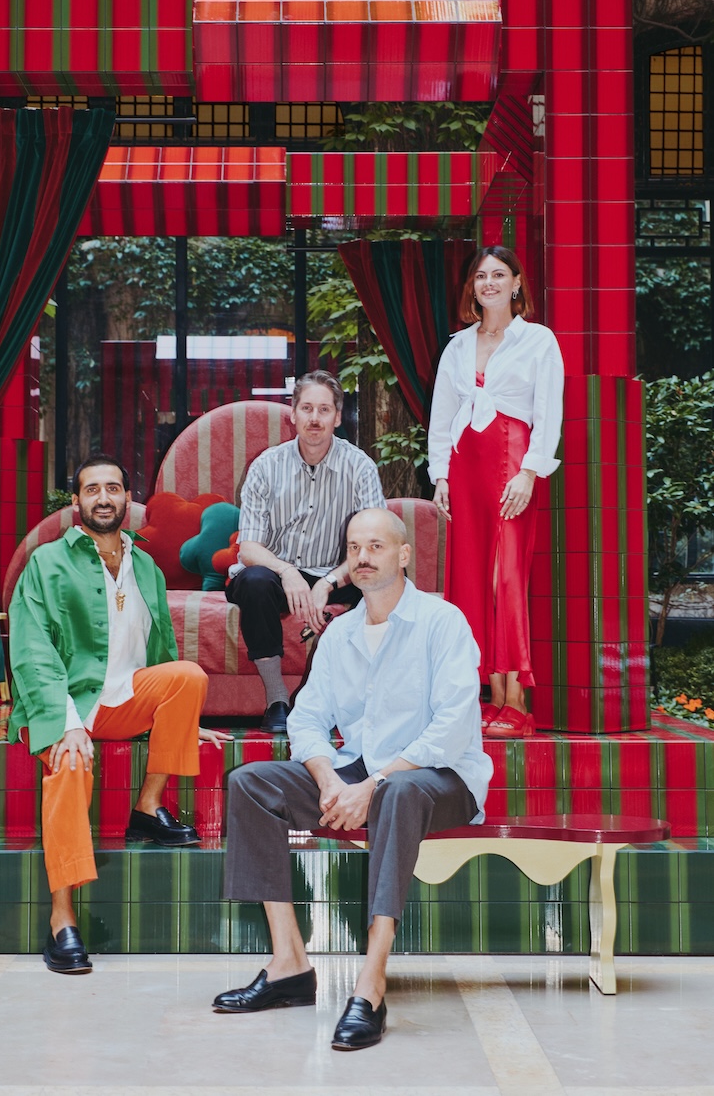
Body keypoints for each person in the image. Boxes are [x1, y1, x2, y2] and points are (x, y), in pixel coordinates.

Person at [213, 508, 492, 1050]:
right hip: (358, 771)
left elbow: (453, 726)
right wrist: (327, 781)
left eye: (377, 546)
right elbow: (308, 718)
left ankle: (371, 982)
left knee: (399, 791)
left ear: (403, 555)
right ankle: (289, 963)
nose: (364, 557)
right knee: (250, 783)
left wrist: (373, 783)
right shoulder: (340, 634)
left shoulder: (442, 622)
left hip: (439, 778)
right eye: (355, 547)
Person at [8, 453, 227, 976]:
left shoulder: (145, 565)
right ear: (77, 501)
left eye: (113, 488)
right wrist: (65, 723)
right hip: (66, 701)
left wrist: (181, 714)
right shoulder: (47, 563)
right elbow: (33, 650)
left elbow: (164, 651)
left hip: (125, 697)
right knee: (69, 768)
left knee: (190, 675)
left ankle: (147, 809)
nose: (103, 498)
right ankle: (63, 918)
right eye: (91, 489)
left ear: (129, 499)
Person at [427, 246, 564, 739]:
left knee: (506, 579)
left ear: (517, 283)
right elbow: (441, 417)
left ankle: (518, 701)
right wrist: (440, 476)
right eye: (481, 276)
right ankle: (485, 694)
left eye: (499, 274)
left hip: (513, 463)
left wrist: (530, 473)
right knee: (468, 578)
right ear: (474, 288)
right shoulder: (457, 346)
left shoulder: (538, 341)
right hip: (465, 468)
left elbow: (549, 414)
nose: (489, 283)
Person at [225, 370, 387, 734]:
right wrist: (287, 571)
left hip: (337, 570)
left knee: (387, 580)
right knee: (253, 581)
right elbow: (249, 547)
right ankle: (277, 698)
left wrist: (329, 581)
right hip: (277, 573)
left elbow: (376, 543)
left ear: (337, 416)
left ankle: (336, 695)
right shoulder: (266, 466)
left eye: (324, 410)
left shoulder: (359, 466)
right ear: (293, 414)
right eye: (307, 408)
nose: (315, 419)